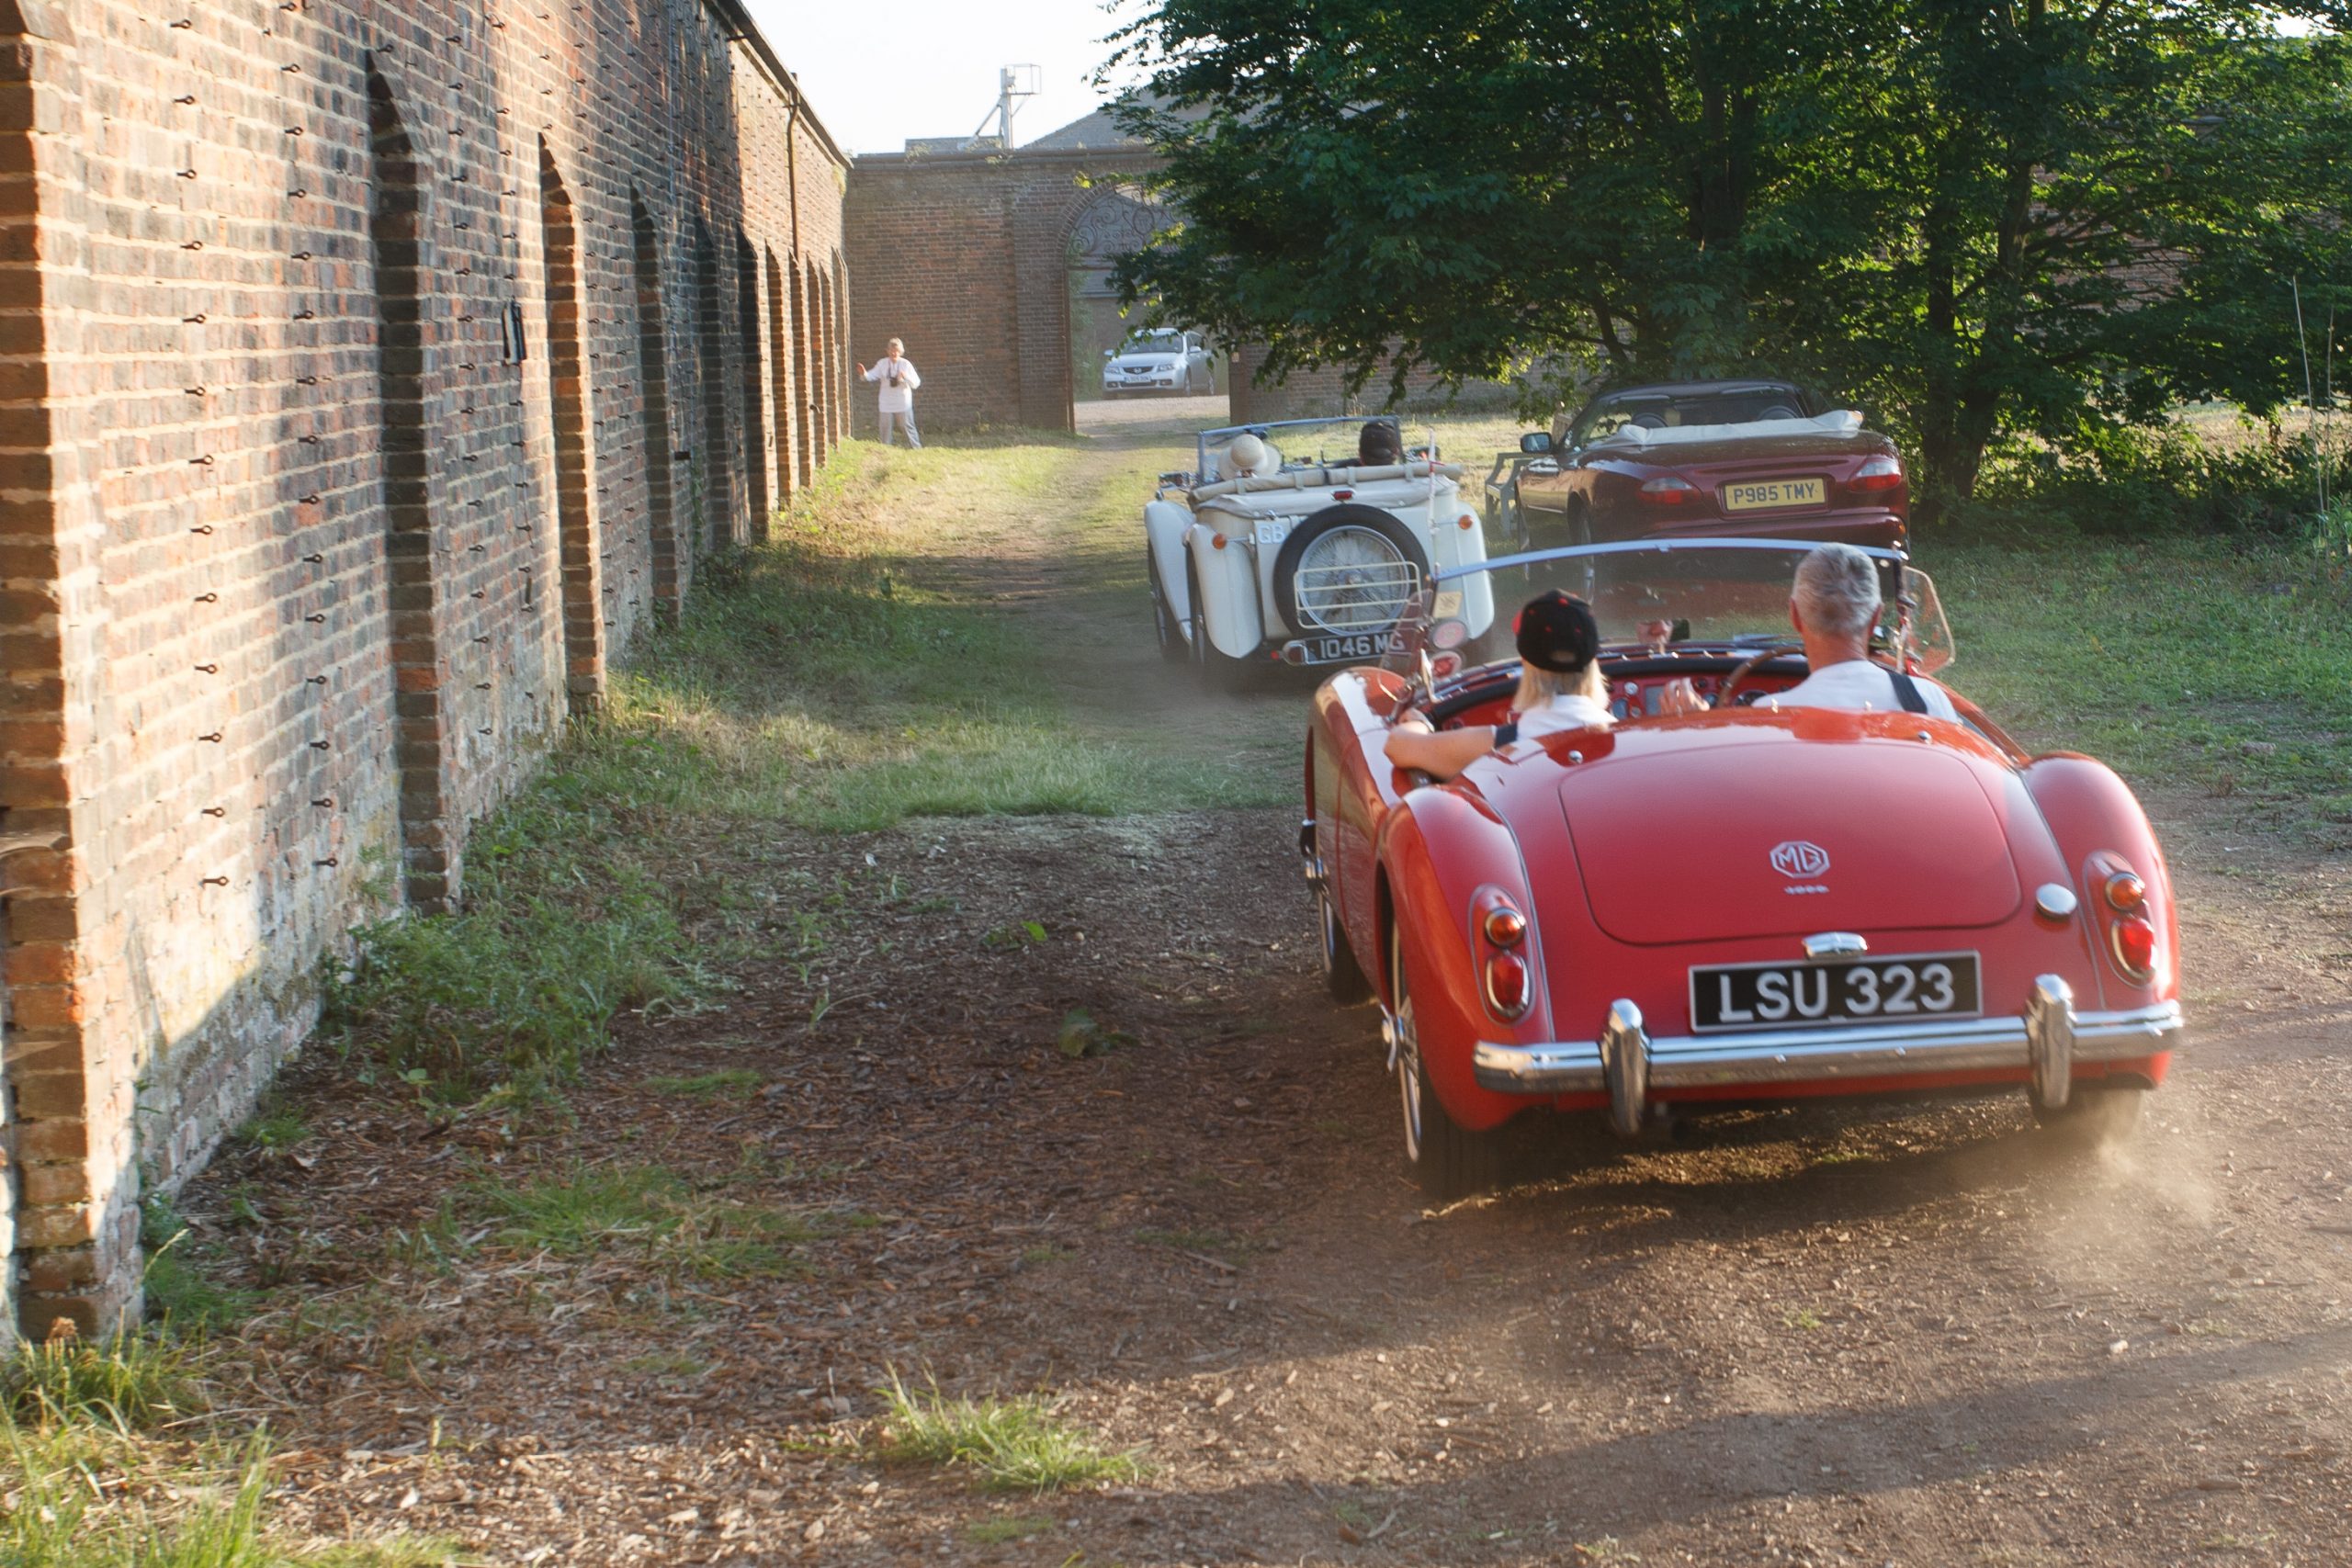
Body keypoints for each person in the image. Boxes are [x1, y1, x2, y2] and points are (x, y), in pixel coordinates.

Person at [1659, 542, 1959, 719]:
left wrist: (1704, 727)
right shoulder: (1926, 701)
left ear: (1795, 616)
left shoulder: (1768, 717)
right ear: (1876, 616)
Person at [1385, 591, 1612, 780]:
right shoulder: (1628, 738)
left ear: (1526, 663)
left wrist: (1421, 722)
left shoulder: (1499, 744)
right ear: (1593, 661)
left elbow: (1397, 745)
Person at [857, 338, 922, 447]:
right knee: (885, 427)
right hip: (886, 401)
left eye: (896, 351)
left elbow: (916, 383)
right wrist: (863, 374)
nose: (893, 353)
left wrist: (904, 377)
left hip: (902, 401)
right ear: (887, 351)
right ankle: (885, 449)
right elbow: (870, 376)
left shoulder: (906, 364)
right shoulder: (882, 363)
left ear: (901, 352)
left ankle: (916, 447)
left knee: (906, 426)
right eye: (891, 350)